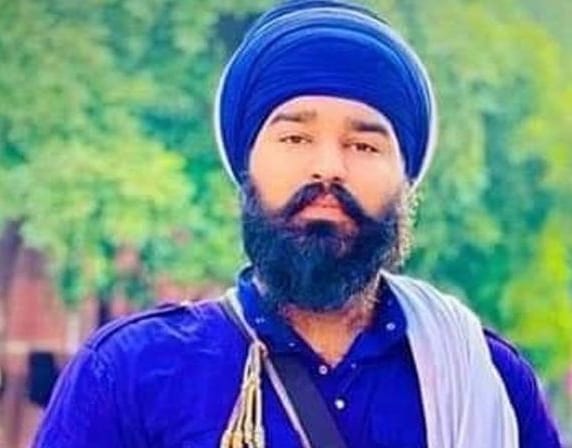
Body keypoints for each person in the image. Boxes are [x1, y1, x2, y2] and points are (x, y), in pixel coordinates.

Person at [33, 0, 562, 447]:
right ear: (247, 168)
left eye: (364, 144)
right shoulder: (128, 374)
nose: (328, 167)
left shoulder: (485, 378)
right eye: (294, 137)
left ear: (407, 183)